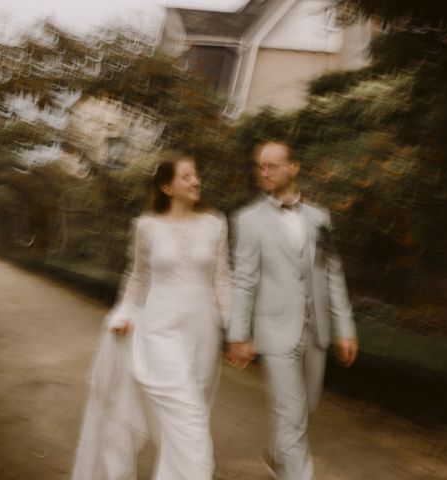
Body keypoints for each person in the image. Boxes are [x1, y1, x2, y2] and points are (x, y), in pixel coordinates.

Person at [72, 153, 231, 480]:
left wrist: (236, 330)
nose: (195, 181)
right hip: (160, 332)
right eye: (186, 176)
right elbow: (138, 277)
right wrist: (124, 312)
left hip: (204, 334)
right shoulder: (146, 226)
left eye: (196, 174)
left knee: (190, 418)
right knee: (188, 421)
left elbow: (223, 280)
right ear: (166, 186)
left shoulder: (215, 224)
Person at [226, 140, 358, 480]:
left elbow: (333, 275)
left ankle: (276, 452)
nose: (264, 172)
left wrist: (345, 327)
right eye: (260, 166)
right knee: (292, 414)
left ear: (293, 167)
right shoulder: (249, 220)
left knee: (305, 410)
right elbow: (244, 281)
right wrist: (239, 335)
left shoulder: (320, 219)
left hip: (315, 332)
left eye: (272, 165)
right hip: (275, 333)